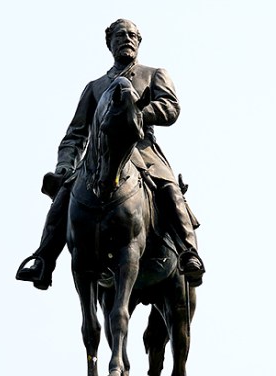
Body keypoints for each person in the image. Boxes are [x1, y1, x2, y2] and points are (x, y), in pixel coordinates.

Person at [16, 19, 205, 290]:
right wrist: (64, 166)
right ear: (110, 43)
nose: (126, 39)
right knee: (64, 196)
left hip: (142, 149)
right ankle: (43, 260)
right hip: (99, 156)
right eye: (119, 36)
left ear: (139, 42)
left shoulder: (154, 74)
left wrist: (137, 113)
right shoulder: (94, 87)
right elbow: (75, 134)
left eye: (131, 35)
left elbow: (170, 107)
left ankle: (189, 253)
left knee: (170, 190)